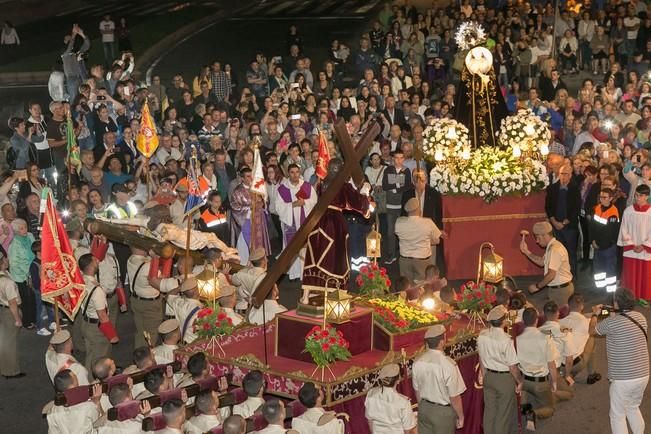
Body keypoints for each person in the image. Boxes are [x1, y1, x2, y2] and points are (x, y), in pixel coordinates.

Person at [592, 287, 649, 434]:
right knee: (632, 407)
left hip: (623, 379)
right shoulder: (641, 317)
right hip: (643, 374)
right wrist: (614, 312)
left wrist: (594, 314)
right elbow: (621, 325)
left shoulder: (612, 323)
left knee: (617, 415)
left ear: (616, 303)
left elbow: (592, 330)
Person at [412, 324, 466, 433]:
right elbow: (454, 397)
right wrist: (461, 416)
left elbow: (417, 390)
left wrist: (424, 407)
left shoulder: (418, 362)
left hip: (424, 408)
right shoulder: (448, 365)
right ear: (442, 342)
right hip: (443, 413)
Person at [477, 305, 522, 434]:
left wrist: (485, 375)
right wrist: (519, 381)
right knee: (503, 415)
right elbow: (512, 366)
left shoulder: (482, 336)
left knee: (489, 412)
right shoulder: (506, 340)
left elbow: (481, 358)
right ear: (503, 321)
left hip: (489, 376)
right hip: (504, 379)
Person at [516, 307, 559, 427]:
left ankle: (524, 407)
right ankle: (534, 413)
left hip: (524, 380)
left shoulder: (517, 340)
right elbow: (551, 365)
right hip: (539, 382)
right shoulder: (544, 338)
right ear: (536, 320)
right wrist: (554, 382)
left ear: (523, 321)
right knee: (550, 408)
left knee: (526, 393)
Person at [274, 163, 317, 280]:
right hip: (290, 223)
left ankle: (305, 272)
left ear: (300, 173)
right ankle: (293, 273)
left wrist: (305, 203)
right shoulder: (282, 189)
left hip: (304, 223)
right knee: (291, 246)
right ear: (288, 173)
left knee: (305, 247)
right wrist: (293, 204)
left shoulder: (307, 187)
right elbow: (278, 207)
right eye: (292, 172)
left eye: (297, 172)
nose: (295, 175)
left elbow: (314, 202)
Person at [78, 253, 118, 372]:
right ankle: (98, 382)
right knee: (100, 357)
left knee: (91, 355)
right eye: (95, 261)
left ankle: (89, 378)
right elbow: (102, 315)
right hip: (96, 328)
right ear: (90, 265)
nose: (98, 262)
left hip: (86, 323)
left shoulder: (81, 280)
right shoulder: (97, 290)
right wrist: (112, 336)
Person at [520, 221, 575, 306]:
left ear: (545, 235)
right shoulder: (552, 247)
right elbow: (542, 262)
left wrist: (537, 287)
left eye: (538, 238)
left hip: (561, 291)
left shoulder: (555, 249)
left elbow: (551, 275)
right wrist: (526, 252)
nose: (537, 241)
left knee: (560, 318)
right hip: (558, 289)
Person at [229, 167, 271, 265]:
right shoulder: (238, 191)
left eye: (252, 176)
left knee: (259, 243)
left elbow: (265, 201)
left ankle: (261, 262)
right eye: (248, 176)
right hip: (246, 222)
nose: (251, 178)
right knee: (247, 246)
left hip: (259, 220)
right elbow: (234, 207)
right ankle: (246, 264)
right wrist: (250, 208)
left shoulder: (257, 188)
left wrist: (263, 203)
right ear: (242, 178)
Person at [544, 164, 580, 275]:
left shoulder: (575, 189)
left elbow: (576, 208)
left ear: (570, 175)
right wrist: (554, 222)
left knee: (570, 253)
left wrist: (564, 223)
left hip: (569, 227)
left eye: (566, 174)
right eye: (562, 174)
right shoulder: (552, 189)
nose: (564, 176)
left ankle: (572, 276)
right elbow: (548, 207)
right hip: (555, 227)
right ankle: (559, 275)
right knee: (556, 253)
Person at [395, 197, 442, 282]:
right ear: (418, 209)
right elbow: (437, 240)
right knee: (422, 287)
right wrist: (426, 240)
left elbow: (398, 236)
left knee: (406, 286)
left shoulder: (399, 222)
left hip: (404, 260)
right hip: (422, 260)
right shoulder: (428, 222)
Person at [617, 184, 651, 300]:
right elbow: (624, 229)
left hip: (645, 250)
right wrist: (631, 244)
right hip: (631, 249)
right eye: (636, 195)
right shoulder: (628, 210)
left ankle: (643, 296)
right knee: (630, 274)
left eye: (641, 195)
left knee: (645, 274)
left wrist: (643, 245)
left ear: (647, 196)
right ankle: (629, 296)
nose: (637, 198)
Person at [559, 295, 601, 384]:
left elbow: (578, 317)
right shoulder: (586, 322)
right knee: (591, 337)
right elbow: (592, 328)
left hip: (560, 363)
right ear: (582, 306)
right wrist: (595, 314)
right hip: (575, 364)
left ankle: (565, 375)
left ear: (568, 305)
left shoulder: (559, 322)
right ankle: (591, 374)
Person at [364, 363, 417, 434]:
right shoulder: (403, 402)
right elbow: (408, 430)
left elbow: (370, 421)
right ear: (398, 380)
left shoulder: (371, 394)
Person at [127, 246, 163, 348]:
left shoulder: (131, 260)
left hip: (136, 301)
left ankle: (139, 355)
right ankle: (147, 360)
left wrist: (153, 257)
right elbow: (162, 280)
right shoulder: (148, 265)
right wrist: (157, 259)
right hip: (150, 305)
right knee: (151, 334)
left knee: (140, 332)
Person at [382, 149, 412, 264]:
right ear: (393, 159)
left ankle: (406, 254)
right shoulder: (388, 169)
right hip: (390, 205)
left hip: (402, 205)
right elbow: (385, 185)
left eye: (401, 158)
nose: (398, 160)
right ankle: (391, 254)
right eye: (396, 158)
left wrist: (394, 186)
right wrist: (400, 182)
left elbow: (408, 186)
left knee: (403, 231)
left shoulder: (406, 170)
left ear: (403, 159)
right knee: (390, 232)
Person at [8, 218, 35, 329]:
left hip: (33, 271)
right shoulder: (14, 244)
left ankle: (34, 317)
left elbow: (34, 248)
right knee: (26, 299)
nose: (25, 230)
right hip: (21, 276)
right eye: (21, 228)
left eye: (25, 227)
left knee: (34, 297)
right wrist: (26, 275)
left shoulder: (30, 236)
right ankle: (27, 321)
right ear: (16, 231)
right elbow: (14, 264)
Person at [0, 251, 23, 378]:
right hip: (10, 312)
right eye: (5, 259)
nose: (7, 260)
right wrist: (17, 319)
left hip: (3, 310)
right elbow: (12, 302)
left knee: (4, 341)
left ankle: (4, 366)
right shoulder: (7, 282)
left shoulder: (4, 276)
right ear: (2, 263)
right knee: (10, 343)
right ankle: (11, 370)